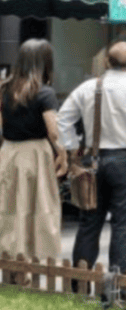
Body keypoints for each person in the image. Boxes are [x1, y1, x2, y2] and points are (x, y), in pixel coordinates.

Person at [57, 41, 126, 277]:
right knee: (124, 225)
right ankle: (115, 286)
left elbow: (63, 118)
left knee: (89, 223)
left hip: (92, 159)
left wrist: (74, 149)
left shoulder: (87, 87)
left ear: (107, 62)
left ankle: (80, 282)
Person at [0, 39, 67, 265]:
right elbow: (54, 132)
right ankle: (32, 262)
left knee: (10, 209)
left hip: (8, 151)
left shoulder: (4, 88)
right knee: (39, 208)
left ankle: (11, 261)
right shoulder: (44, 92)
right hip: (36, 153)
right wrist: (63, 155)